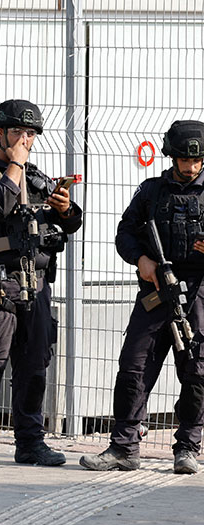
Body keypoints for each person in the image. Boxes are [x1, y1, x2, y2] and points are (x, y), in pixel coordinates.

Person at [0, 100, 82, 468]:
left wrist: (64, 209)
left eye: (30, 134)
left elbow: (72, 224)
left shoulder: (38, 178)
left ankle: (31, 442)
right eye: (17, 132)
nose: (25, 140)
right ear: (0, 133)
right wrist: (14, 162)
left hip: (37, 285)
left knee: (34, 367)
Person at [80, 121, 204, 475]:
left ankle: (187, 448)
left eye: (196, 161)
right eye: (183, 159)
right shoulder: (152, 192)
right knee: (133, 368)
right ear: (171, 156)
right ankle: (123, 447)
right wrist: (142, 260)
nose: (190, 167)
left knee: (197, 373)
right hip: (155, 290)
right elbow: (125, 233)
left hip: (198, 293)